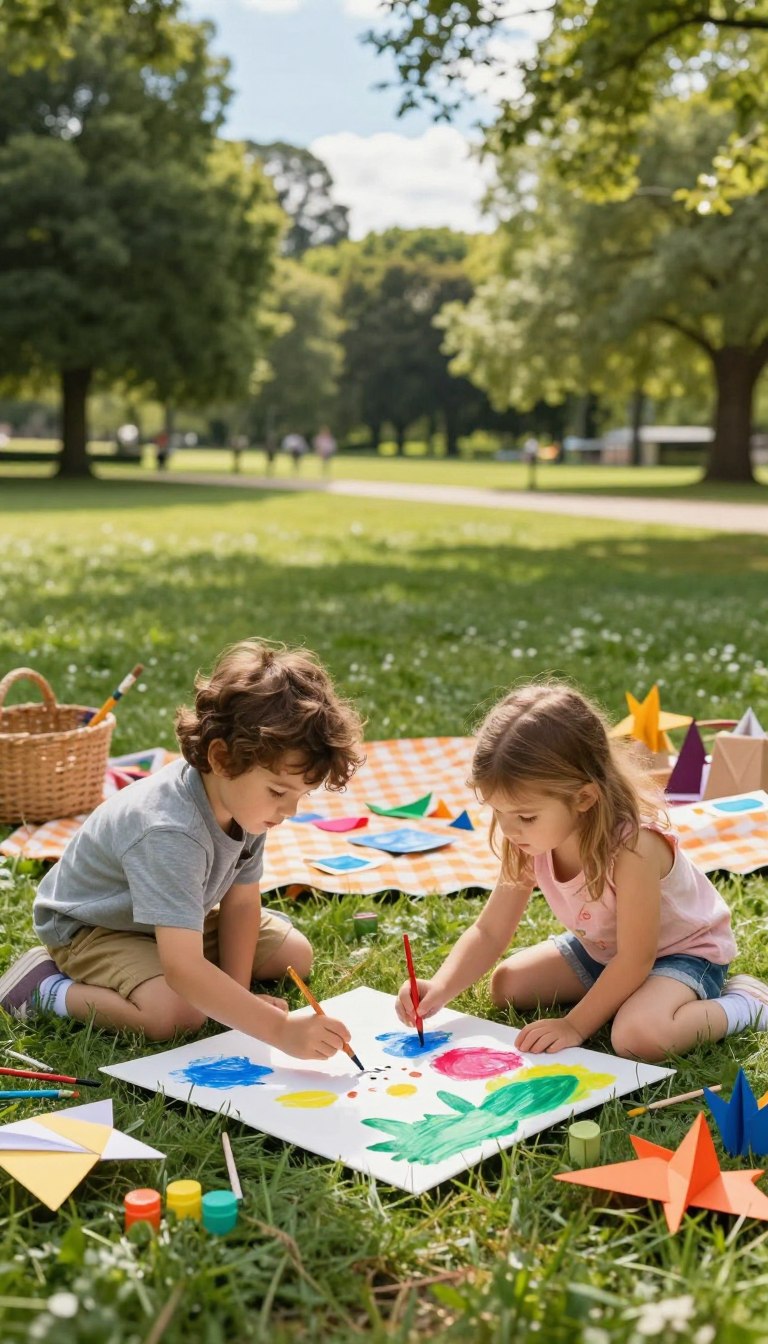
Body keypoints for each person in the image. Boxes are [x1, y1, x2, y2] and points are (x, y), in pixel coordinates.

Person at [0, 640, 365, 1061]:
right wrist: (277, 1030)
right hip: (95, 927)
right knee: (177, 1014)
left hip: (167, 922)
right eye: (280, 791)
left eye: (300, 795)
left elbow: (242, 904)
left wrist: (237, 999)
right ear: (223, 760)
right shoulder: (170, 830)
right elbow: (183, 970)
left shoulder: (247, 803)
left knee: (294, 954)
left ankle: (205, 979)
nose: (289, 810)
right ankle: (46, 989)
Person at [397, 682, 768, 1063]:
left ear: (584, 798)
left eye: (525, 816)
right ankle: (620, 996)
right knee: (507, 985)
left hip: (682, 953)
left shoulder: (633, 848)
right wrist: (439, 988)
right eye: (498, 812)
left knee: (638, 1036)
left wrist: (574, 1025)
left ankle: (744, 1004)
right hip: (607, 952)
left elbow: (636, 960)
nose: (509, 829)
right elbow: (490, 931)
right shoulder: (528, 838)